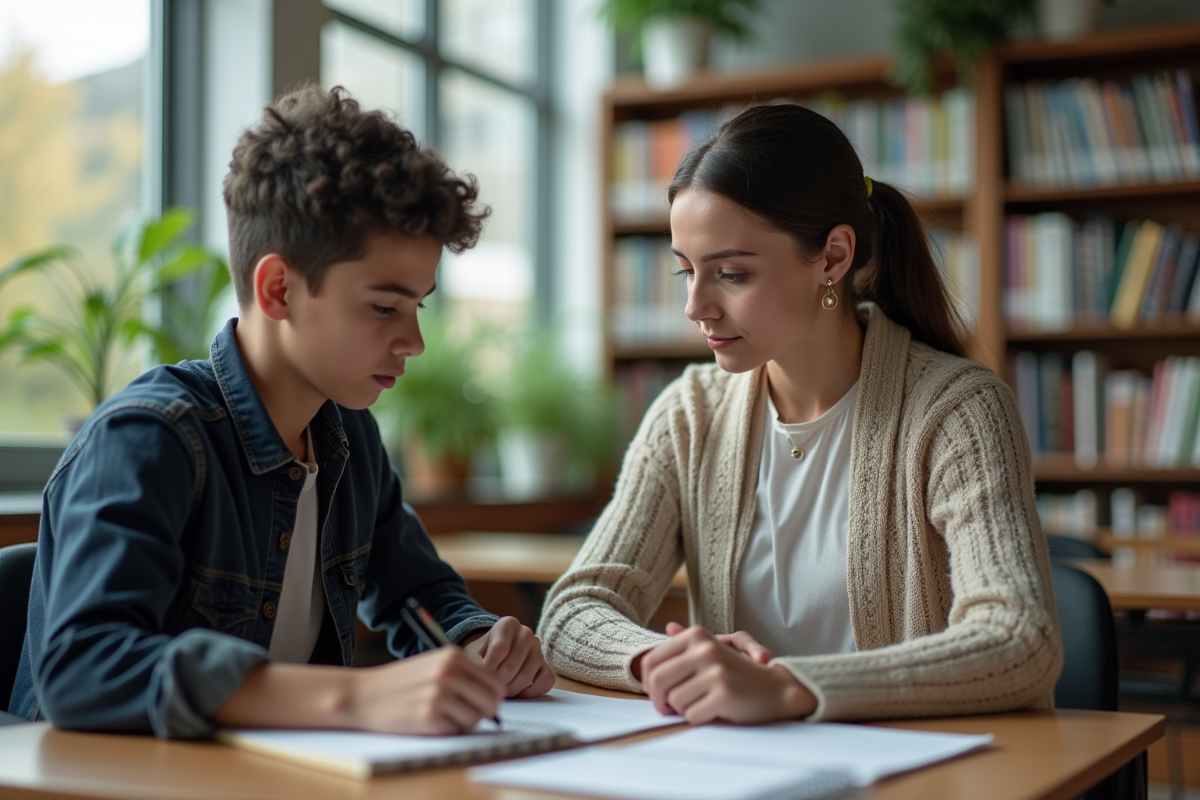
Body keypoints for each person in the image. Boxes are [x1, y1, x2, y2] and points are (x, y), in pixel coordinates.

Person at [8, 85, 554, 738]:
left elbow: (418, 594)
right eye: (385, 307)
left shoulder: (350, 437)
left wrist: (477, 641)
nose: (414, 341)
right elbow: (83, 668)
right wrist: (355, 699)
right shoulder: (149, 439)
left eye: (418, 306)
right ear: (278, 289)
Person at [538, 103, 1062, 725]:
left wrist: (790, 687)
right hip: (744, 764)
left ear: (833, 257)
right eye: (686, 271)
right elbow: (572, 612)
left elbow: (1018, 640)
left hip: (923, 765)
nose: (695, 307)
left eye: (732, 274)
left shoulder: (957, 410)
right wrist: (665, 662)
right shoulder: (689, 414)